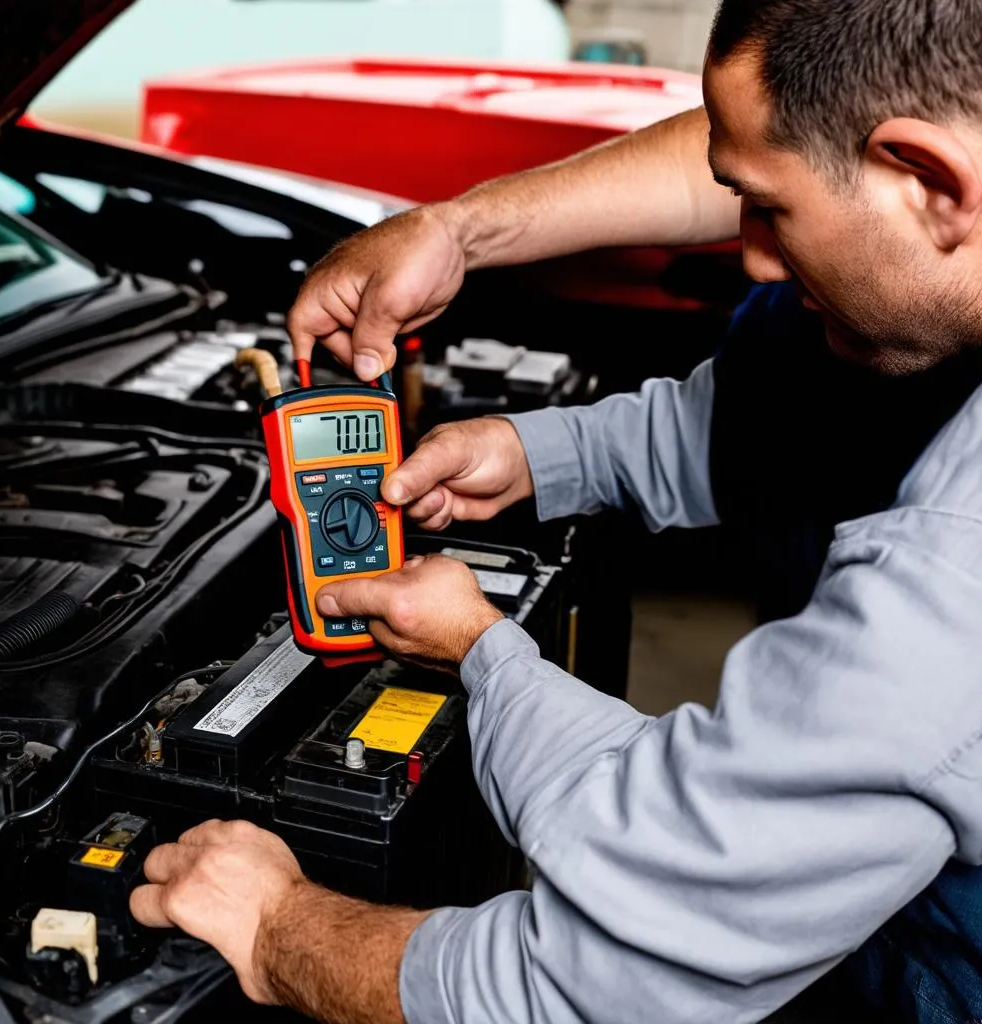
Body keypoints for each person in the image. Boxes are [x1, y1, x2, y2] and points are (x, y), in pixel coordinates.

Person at [128, 1, 982, 1021]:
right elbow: (770, 393)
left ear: (930, 183)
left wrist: (276, 931)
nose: (748, 251)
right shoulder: (920, 216)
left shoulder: (952, 564)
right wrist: (540, 447)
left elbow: (597, 982)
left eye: (766, 210)